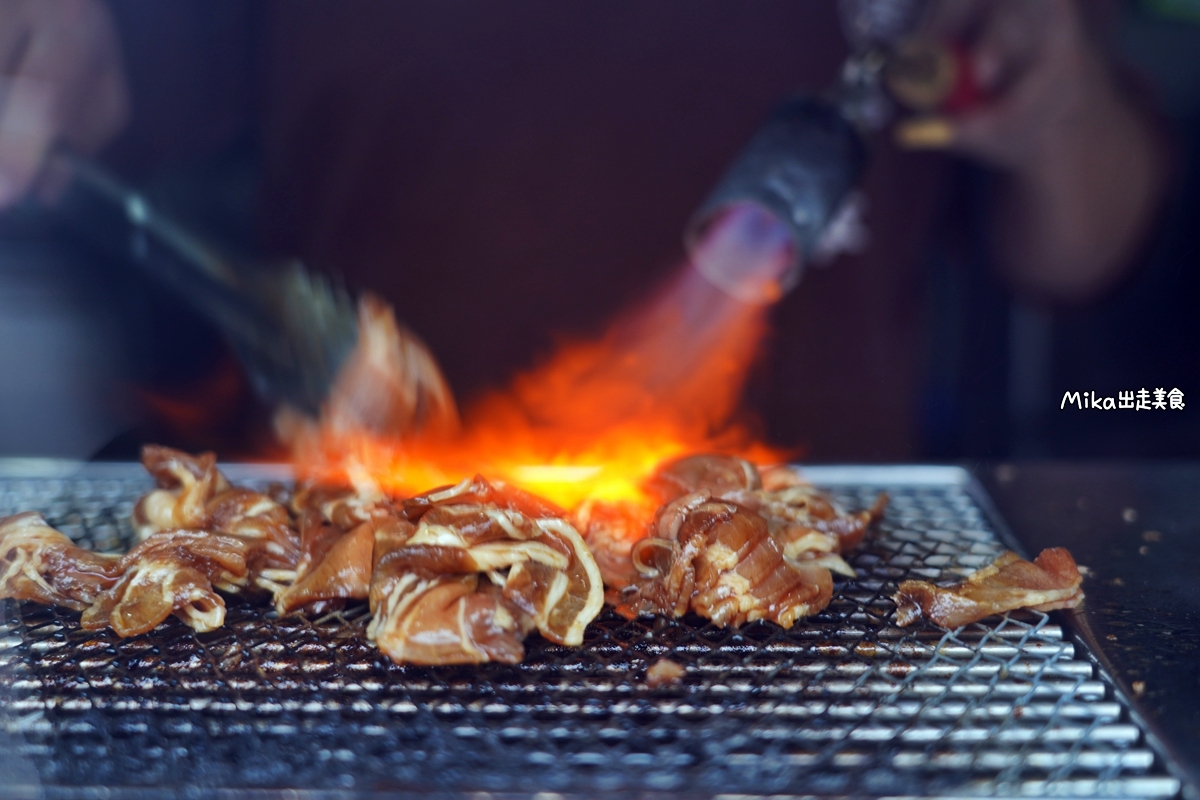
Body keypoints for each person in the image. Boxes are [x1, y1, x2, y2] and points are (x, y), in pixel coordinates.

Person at [0, 0, 1180, 459]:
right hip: (343, 558)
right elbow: (112, 77)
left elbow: (1086, 248)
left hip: (820, 590)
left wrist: (1055, 96)